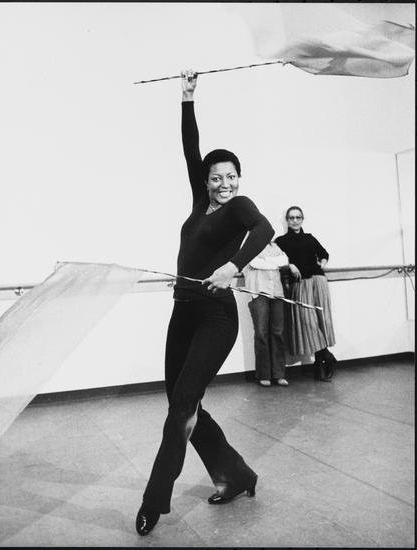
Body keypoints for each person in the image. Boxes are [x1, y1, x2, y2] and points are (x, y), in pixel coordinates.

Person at [136, 69, 275, 536]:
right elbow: (190, 148)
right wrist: (187, 97)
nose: (224, 183)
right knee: (180, 399)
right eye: (216, 177)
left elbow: (264, 230)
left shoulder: (240, 206)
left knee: (182, 407)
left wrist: (233, 266)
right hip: (183, 311)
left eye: (230, 176)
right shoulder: (201, 202)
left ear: (239, 179)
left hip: (216, 317)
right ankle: (235, 474)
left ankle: (154, 500)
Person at [275, 206, 336, 382]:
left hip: (318, 281)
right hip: (300, 284)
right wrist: (289, 264)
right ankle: (327, 356)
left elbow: (324, 254)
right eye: (291, 218)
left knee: (322, 321)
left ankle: (319, 364)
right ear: (287, 220)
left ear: (302, 219)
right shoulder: (281, 241)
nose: (295, 221)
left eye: (298, 217)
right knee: (308, 322)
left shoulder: (309, 237)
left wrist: (321, 264)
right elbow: (275, 259)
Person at [243, 239, 289, 387]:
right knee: (261, 333)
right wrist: (274, 263)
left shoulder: (275, 246)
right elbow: (254, 263)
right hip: (258, 292)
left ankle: (279, 374)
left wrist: (265, 261)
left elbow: (284, 260)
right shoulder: (248, 245)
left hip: (276, 292)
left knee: (278, 332)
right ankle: (264, 375)